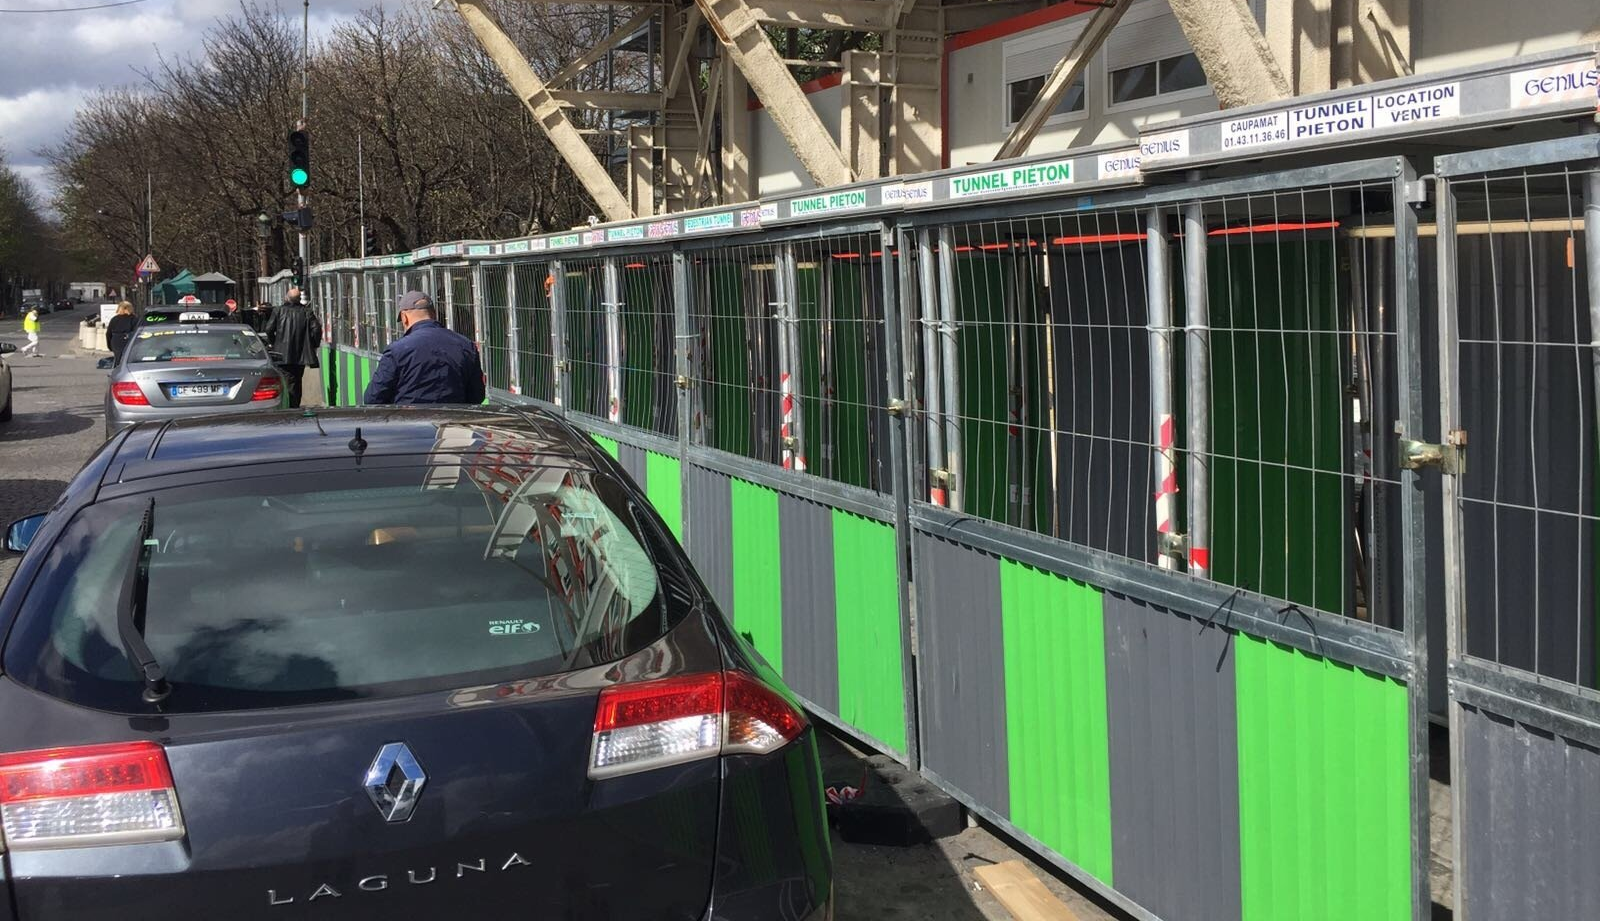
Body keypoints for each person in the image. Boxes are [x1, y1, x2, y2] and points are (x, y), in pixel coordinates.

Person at [363, 291, 485, 406]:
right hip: (453, 419)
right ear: (434, 314)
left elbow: (373, 398)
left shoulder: (397, 350)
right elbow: (477, 396)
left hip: (410, 420)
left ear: (405, 317)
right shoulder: (466, 345)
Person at [263, 286, 322, 408]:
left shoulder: (279, 311)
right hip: (300, 354)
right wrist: (313, 345)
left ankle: (286, 404)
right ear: (299, 299)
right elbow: (316, 329)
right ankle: (294, 405)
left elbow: (269, 329)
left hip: (281, 354)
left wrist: (274, 343)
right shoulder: (306, 312)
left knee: (284, 380)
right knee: (296, 380)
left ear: (286, 298)